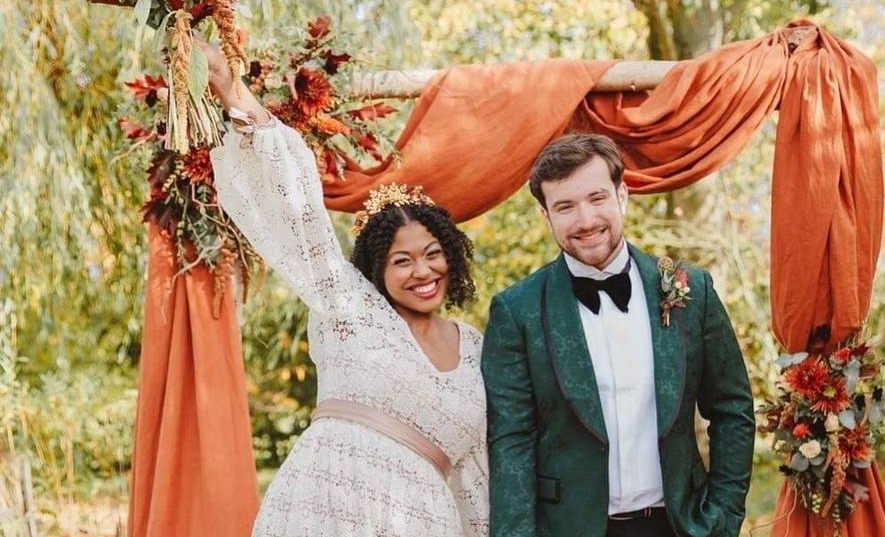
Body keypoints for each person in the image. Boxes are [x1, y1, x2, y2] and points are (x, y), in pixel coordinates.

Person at [201, 40, 489, 537]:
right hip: (324, 505)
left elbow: (477, 469)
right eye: (402, 260)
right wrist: (233, 93)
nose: (422, 271)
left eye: (433, 254)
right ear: (377, 270)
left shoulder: (477, 348)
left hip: (421, 521)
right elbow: (300, 217)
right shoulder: (348, 306)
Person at [481, 134, 754, 537]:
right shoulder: (516, 311)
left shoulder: (691, 291)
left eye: (597, 198)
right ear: (546, 217)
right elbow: (511, 444)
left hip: (678, 525)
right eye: (565, 207)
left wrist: (723, 517)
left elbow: (732, 409)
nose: (586, 220)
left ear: (622, 195)